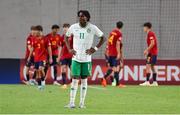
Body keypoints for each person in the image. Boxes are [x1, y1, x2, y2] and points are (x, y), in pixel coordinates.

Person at [64, 10, 105, 108]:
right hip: (76, 58)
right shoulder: (73, 27)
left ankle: (82, 103)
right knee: (74, 79)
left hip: (86, 59)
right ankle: (72, 102)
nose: (81, 18)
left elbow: (103, 38)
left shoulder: (93, 28)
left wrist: (94, 49)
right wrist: (70, 49)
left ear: (87, 17)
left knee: (84, 80)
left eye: (83, 16)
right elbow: (66, 37)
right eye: (80, 16)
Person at [101, 21, 125, 88]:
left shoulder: (112, 32)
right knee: (116, 68)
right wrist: (118, 53)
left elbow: (108, 42)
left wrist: (107, 50)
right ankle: (116, 83)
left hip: (110, 52)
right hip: (114, 52)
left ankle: (105, 79)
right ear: (122, 26)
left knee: (113, 68)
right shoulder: (119, 33)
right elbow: (118, 43)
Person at [28, 25, 53, 90]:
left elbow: (49, 48)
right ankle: (39, 86)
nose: (35, 33)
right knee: (37, 72)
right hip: (36, 58)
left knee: (41, 69)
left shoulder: (45, 39)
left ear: (40, 31)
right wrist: (29, 57)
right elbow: (32, 48)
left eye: (36, 31)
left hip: (43, 58)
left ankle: (43, 83)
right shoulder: (34, 39)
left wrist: (50, 57)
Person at [139, 22, 158, 86]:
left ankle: (147, 81)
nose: (143, 29)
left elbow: (153, 43)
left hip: (152, 53)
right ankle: (155, 82)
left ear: (147, 27)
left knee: (148, 66)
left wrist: (146, 50)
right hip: (152, 53)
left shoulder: (150, 33)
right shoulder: (150, 34)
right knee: (152, 66)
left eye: (144, 27)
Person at [57, 23, 73, 89]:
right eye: (64, 28)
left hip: (72, 56)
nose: (65, 29)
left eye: (66, 27)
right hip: (64, 56)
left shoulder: (73, 36)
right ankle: (64, 84)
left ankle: (72, 82)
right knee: (63, 68)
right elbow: (60, 47)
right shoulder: (62, 37)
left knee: (72, 69)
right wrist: (58, 56)